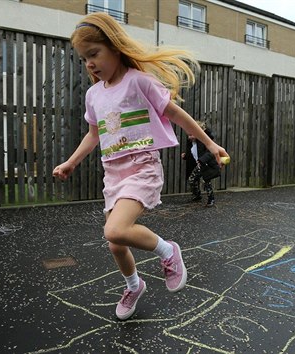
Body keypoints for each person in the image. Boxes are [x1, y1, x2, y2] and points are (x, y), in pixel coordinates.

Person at [52, 13, 229, 320]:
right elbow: (94, 135)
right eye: (84, 59)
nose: (89, 64)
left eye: (94, 54)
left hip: (141, 167)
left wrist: (208, 144)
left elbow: (176, 114)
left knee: (116, 229)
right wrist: (70, 162)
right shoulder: (94, 95)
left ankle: (168, 251)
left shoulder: (139, 81)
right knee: (115, 243)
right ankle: (134, 285)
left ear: (115, 47)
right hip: (114, 173)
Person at [181, 120, 220, 207]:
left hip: (206, 164)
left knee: (206, 182)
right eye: (189, 135)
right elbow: (193, 153)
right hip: (199, 165)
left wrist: (202, 160)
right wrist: (186, 156)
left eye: (192, 135)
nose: (190, 137)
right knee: (192, 179)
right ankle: (197, 195)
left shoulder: (205, 141)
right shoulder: (191, 143)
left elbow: (210, 152)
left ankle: (211, 199)